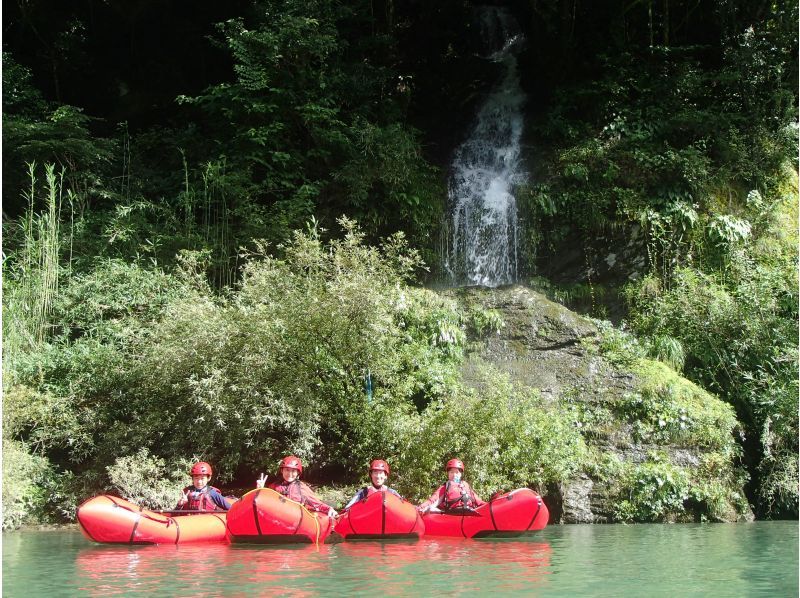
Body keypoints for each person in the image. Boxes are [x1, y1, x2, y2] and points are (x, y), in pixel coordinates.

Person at [256, 455, 338, 518]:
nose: (290, 474)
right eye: (287, 470)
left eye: (293, 471)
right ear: (282, 471)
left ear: (298, 473)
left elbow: (316, 503)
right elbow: (264, 503)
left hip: (296, 520)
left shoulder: (301, 487)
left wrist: (329, 509)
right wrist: (260, 490)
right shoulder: (274, 486)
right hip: (279, 518)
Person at [417, 458, 485, 514]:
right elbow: (432, 500)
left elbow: (479, 501)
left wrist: (491, 504)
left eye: (457, 472)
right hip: (452, 515)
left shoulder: (466, 485)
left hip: (469, 514)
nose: (454, 475)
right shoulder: (445, 487)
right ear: (448, 474)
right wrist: (420, 507)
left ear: (461, 474)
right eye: (451, 472)